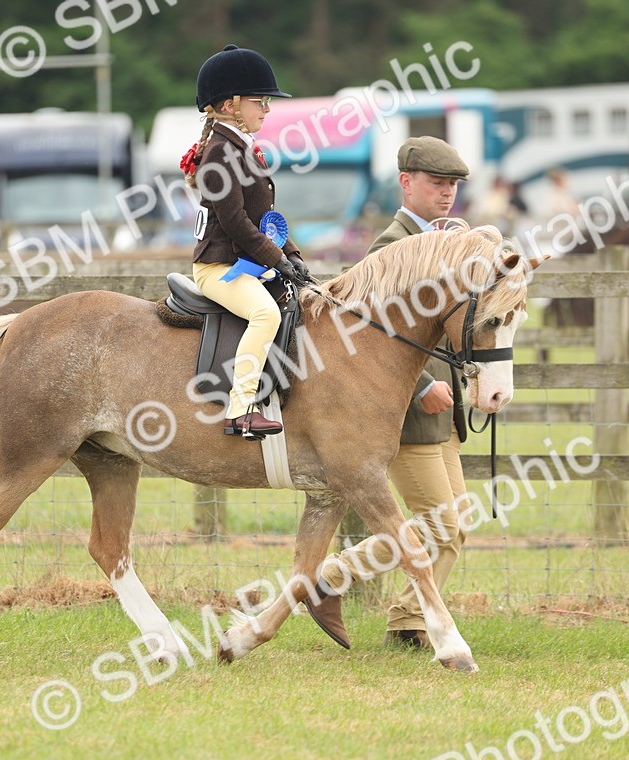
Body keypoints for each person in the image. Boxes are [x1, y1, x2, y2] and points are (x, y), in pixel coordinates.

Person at [305, 136, 474, 650]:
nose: (446, 195)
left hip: (442, 409)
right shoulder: (391, 247)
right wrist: (424, 386)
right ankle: (331, 581)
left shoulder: (450, 240)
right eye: (436, 184)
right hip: (406, 409)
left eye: (452, 187)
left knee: (455, 523)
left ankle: (400, 617)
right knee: (443, 524)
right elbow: (371, 336)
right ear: (407, 183)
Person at [181, 45, 310, 438]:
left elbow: (264, 218)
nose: (266, 109)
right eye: (260, 101)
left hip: (246, 261)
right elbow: (234, 221)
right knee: (265, 314)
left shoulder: (238, 145)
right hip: (218, 268)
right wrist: (276, 258)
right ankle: (240, 411)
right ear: (229, 104)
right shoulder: (222, 151)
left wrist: (292, 254)